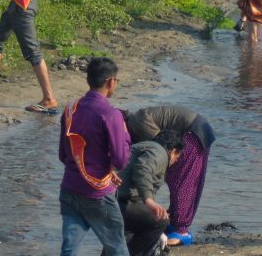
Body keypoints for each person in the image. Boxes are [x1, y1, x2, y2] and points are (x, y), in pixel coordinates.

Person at [57, 57, 131, 256]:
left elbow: (64, 155)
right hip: (97, 194)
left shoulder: (70, 110)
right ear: (111, 82)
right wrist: (125, 134)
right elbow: (121, 160)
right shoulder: (111, 114)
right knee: (117, 248)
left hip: (70, 189)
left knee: (70, 249)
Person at [126, 106, 216, 247]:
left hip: (192, 135)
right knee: (180, 181)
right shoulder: (135, 123)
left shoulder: (137, 122)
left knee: (182, 183)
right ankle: (175, 223)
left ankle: (181, 231)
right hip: (197, 132)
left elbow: (161, 148)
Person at [117, 131, 183, 256]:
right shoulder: (160, 152)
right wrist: (149, 200)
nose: (176, 160)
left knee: (131, 227)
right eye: (177, 156)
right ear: (173, 151)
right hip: (120, 201)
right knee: (160, 220)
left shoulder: (143, 146)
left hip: (112, 198)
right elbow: (143, 169)